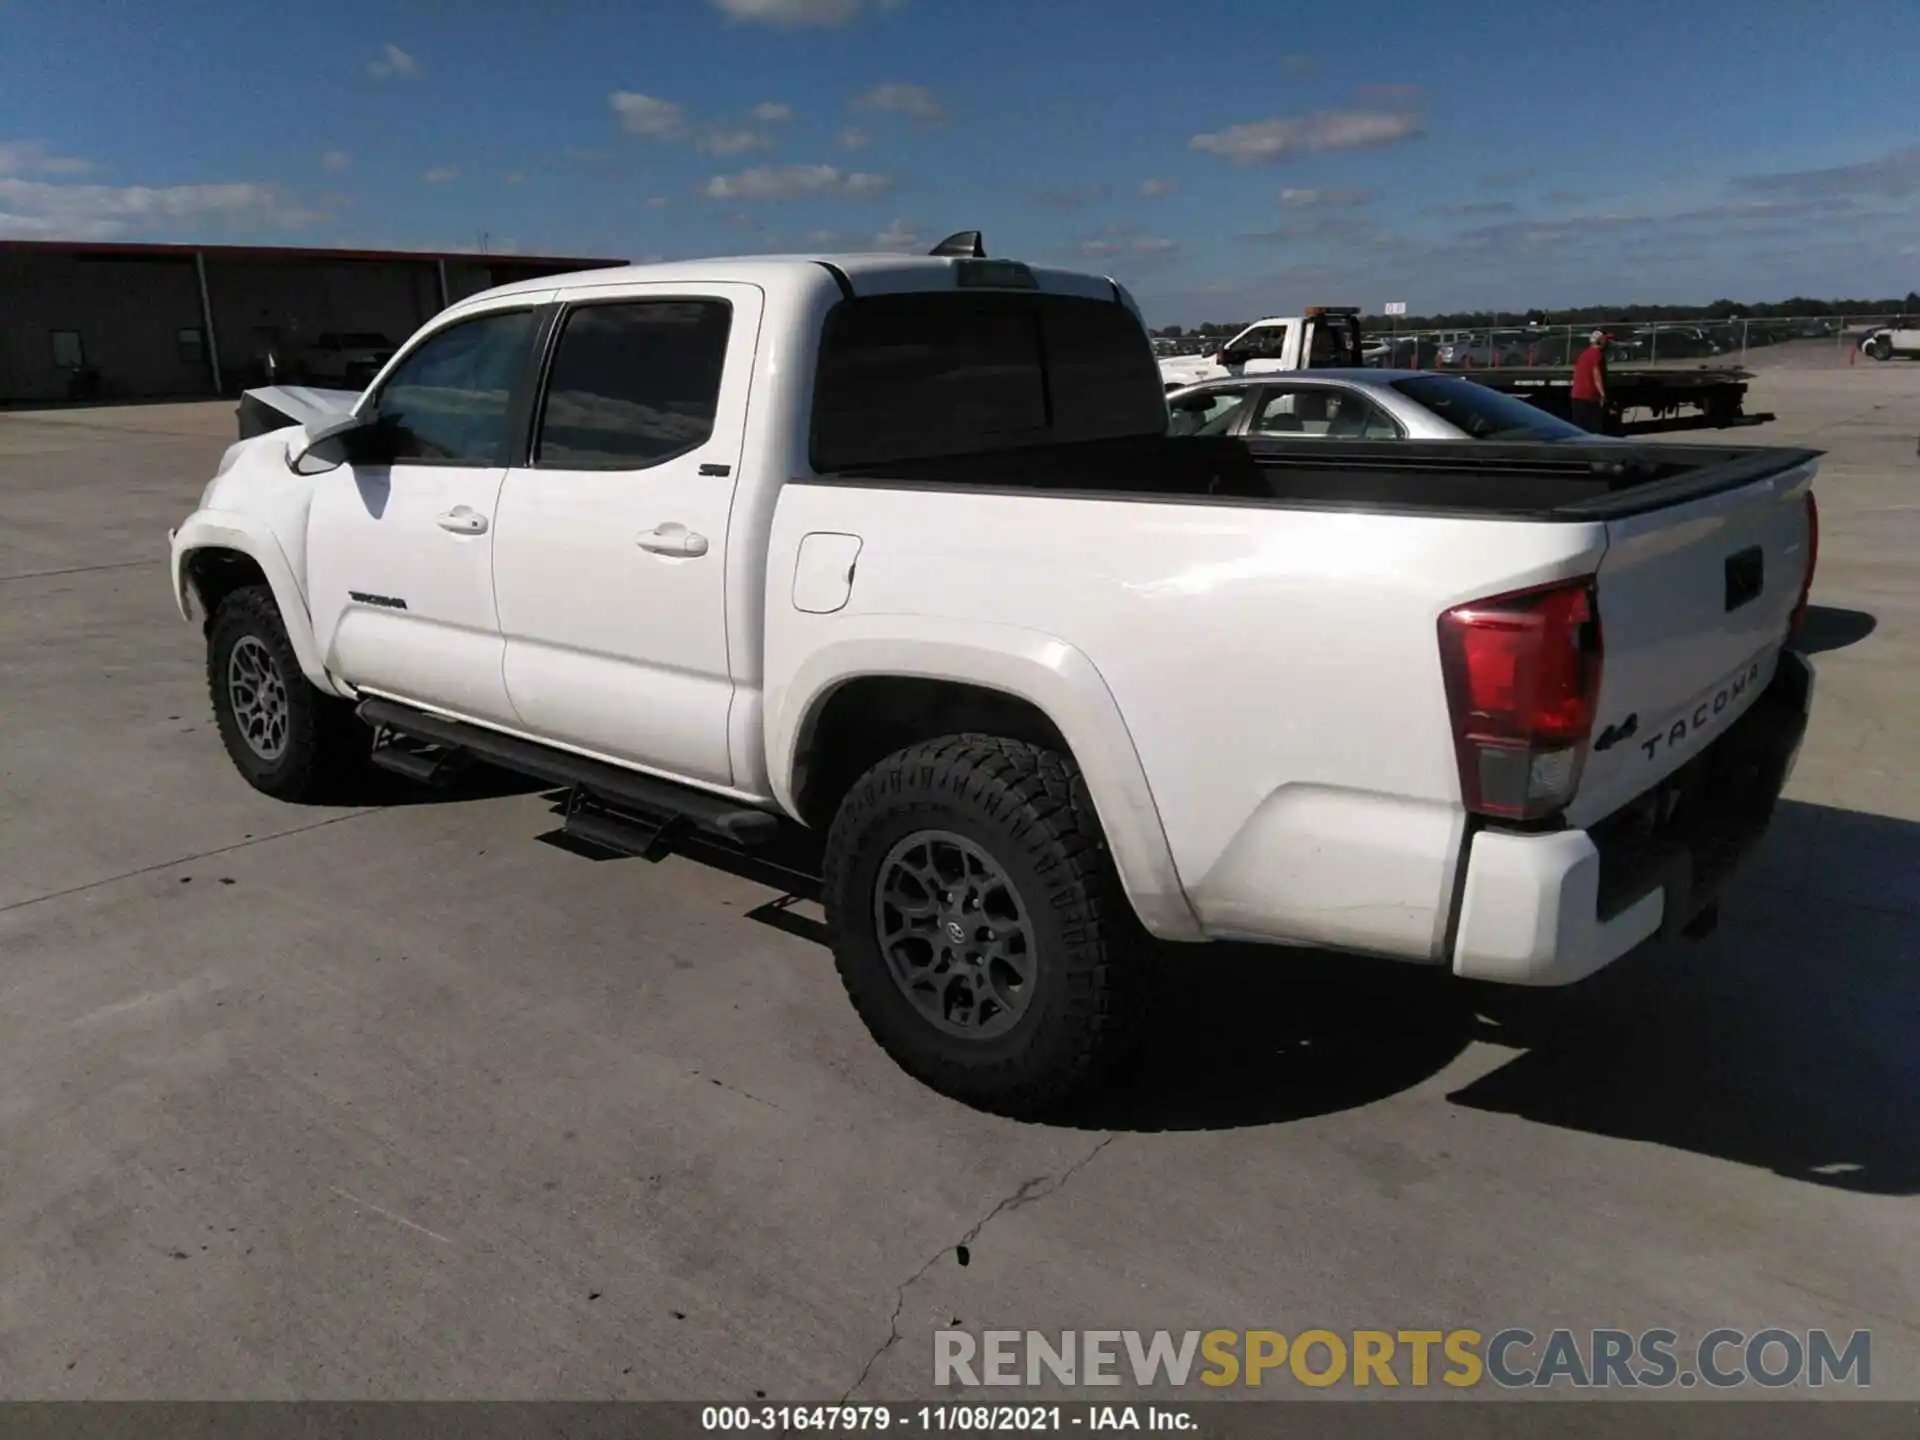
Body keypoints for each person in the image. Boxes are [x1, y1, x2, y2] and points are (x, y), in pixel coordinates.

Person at [1570, 330, 1610, 434]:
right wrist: (1602, 394)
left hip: (1577, 396)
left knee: (1580, 430)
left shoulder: (1584, 353)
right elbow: (1596, 374)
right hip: (1589, 397)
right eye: (1605, 340)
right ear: (1600, 342)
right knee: (1593, 430)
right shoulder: (1597, 354)